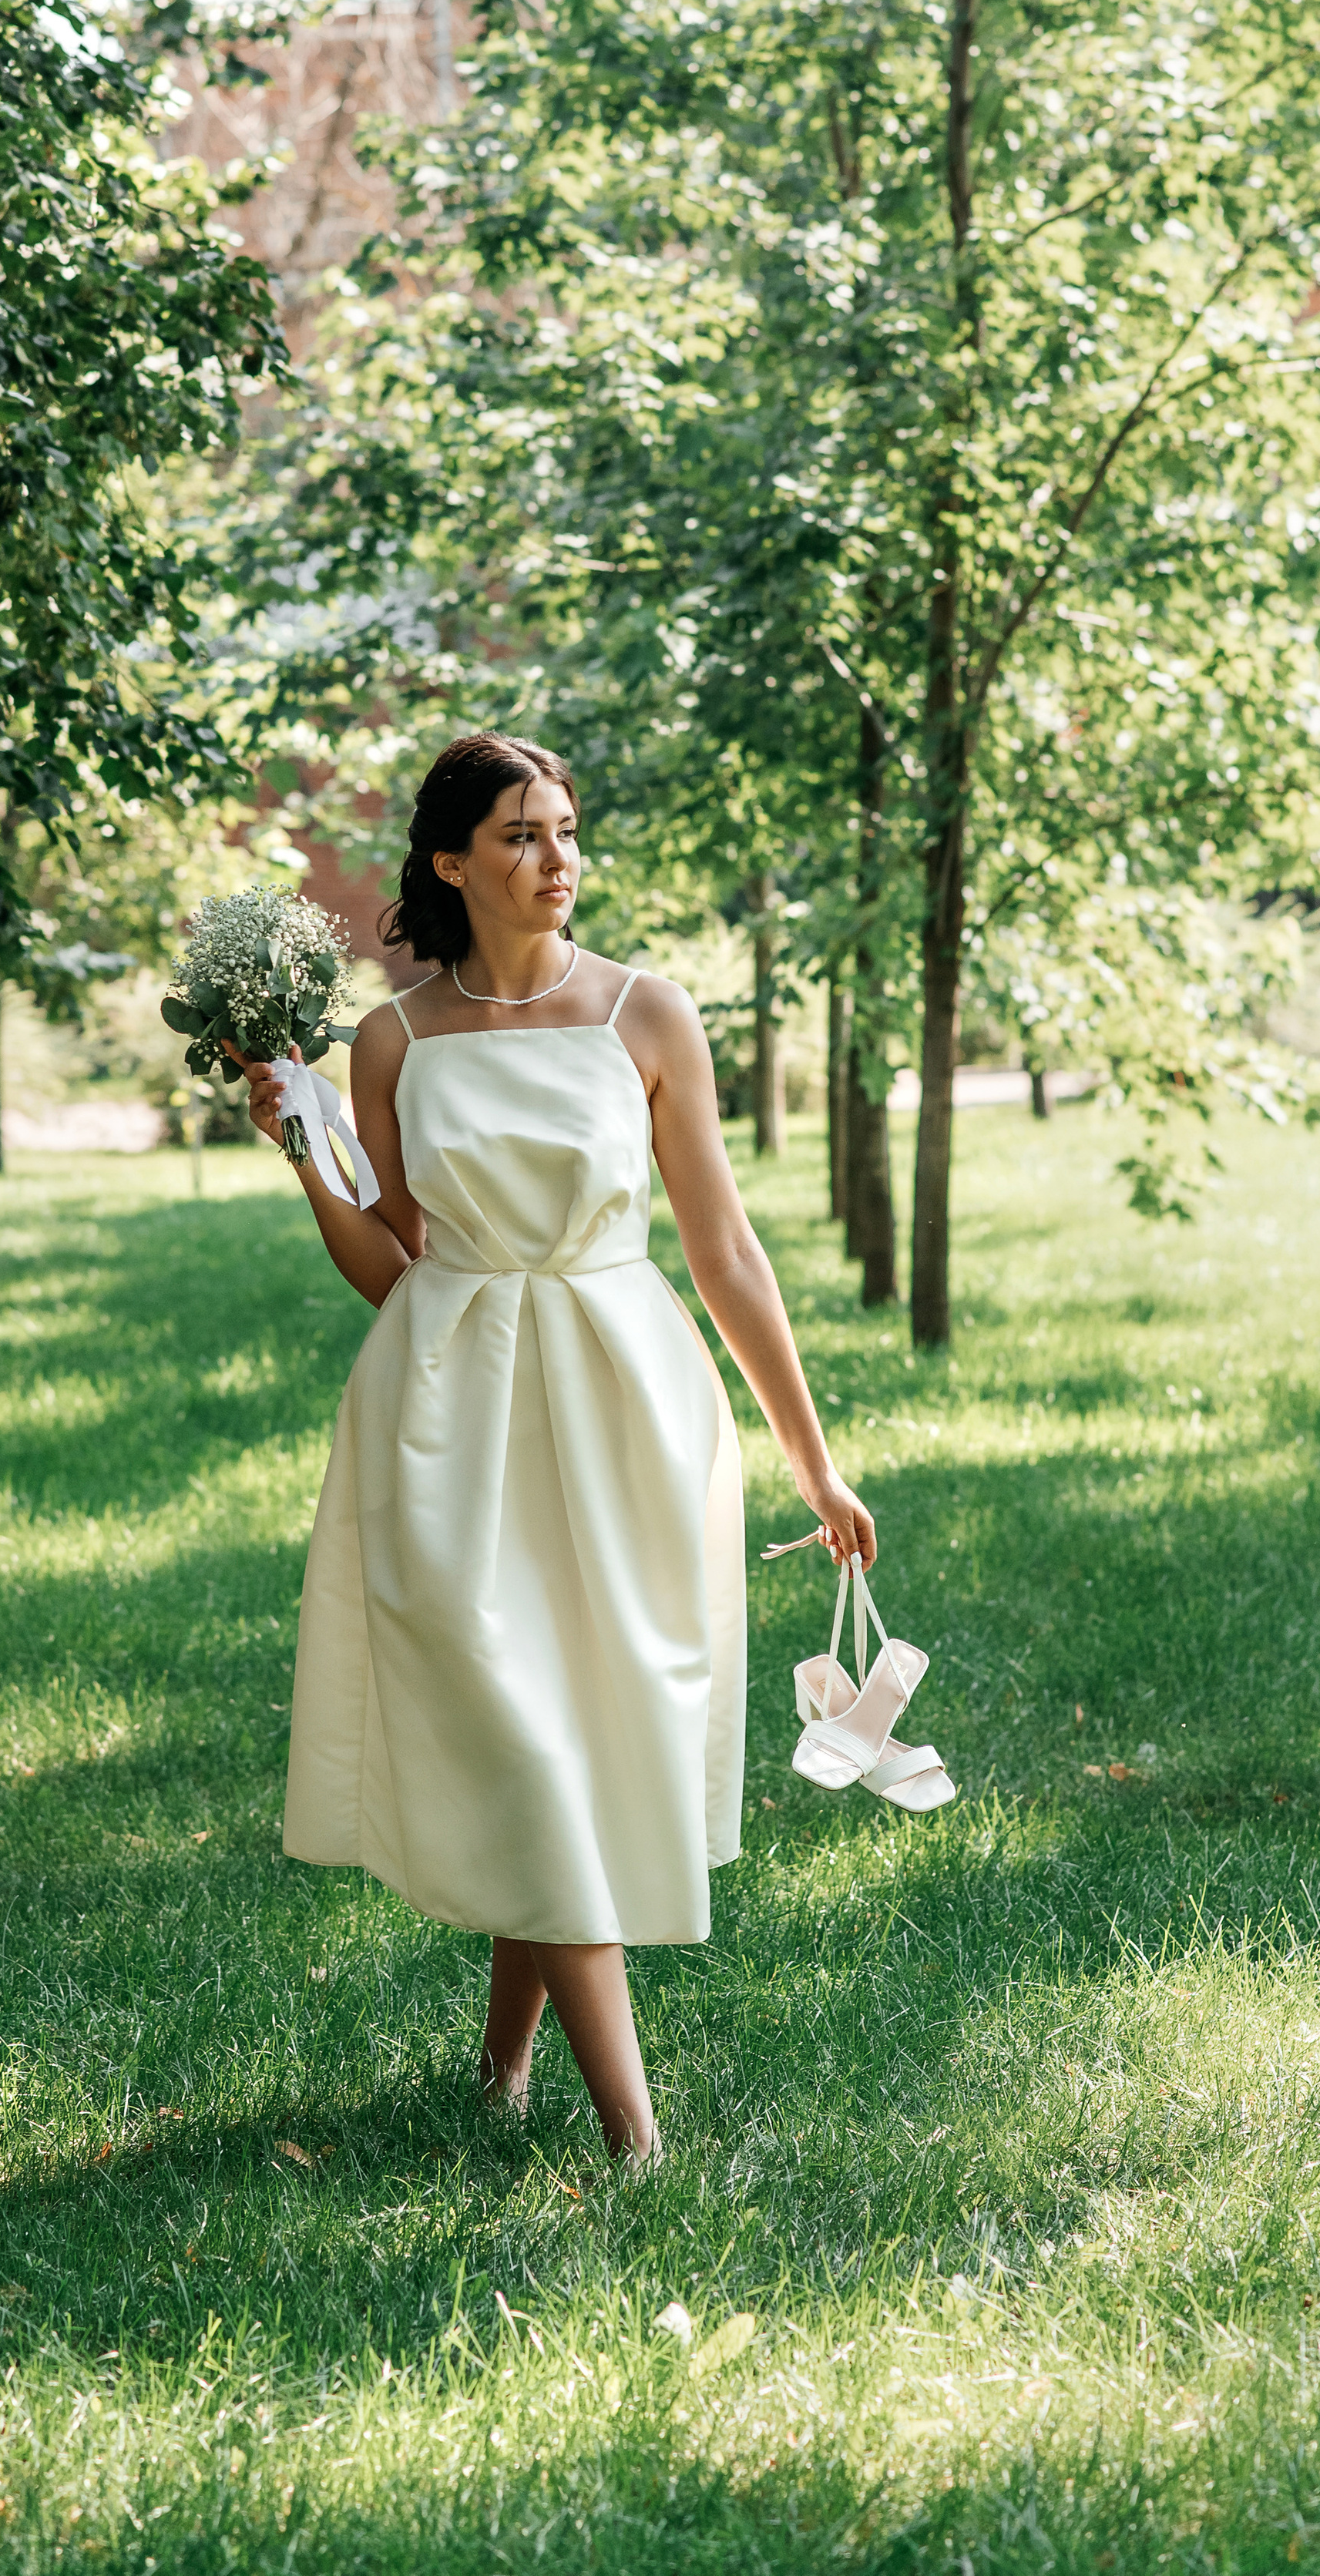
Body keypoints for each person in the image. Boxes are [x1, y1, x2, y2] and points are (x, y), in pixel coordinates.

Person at [230, 730, 874, 2165]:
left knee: (577, 1733)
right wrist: (304, 1156)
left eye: (566, 830)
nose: (556, 859)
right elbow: (396, 1264)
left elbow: (725, 1251)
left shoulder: (649, 1014)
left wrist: (812, 1461)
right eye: (520, 836)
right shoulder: (393, 1040)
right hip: (448, 1414)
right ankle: (637, 2141)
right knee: (520, 1735)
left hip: (625, 1403)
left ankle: (501, 2071)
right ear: (451, 863)